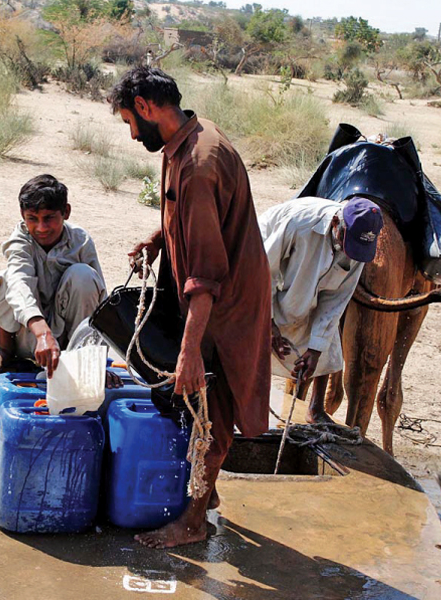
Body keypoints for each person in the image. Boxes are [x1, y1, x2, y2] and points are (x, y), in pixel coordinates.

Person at [108, 66, 272, 549]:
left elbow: (206, 278)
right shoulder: (186, 141)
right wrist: (160, 239)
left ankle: (194, 521)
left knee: (209, 407)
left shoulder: (199, 164)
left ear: (145, 107)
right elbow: (194, 223)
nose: (134, 135)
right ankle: (208, 497)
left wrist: (190, 351)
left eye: (130, 123)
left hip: (225, 304)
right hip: (219, 292)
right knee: (201, 401)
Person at [259, 196, 383, 423]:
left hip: (299, 282)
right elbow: (262, 271)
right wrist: (268, 323)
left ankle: (315, 409)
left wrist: (315, 350)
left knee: (325, 336)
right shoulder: (299, 224)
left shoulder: (358, 249)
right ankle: (248, 402)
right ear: (336, 223)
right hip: (261, 267)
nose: (349, 254)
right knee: (252, 339)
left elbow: (337, 299)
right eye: (347, 243)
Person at [0, 174, 107, 377]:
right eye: (32, 219)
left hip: (65, 342)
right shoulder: (19, 241)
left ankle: (82, 358)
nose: (41, 228)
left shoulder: (81, 241)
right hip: (27, 337)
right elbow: (20, 285)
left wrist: (96, 361)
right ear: (22, 215)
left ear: (66, 212)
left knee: (84, 276)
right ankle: (4, 349)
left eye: (49, 218)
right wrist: (42, 333)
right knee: (7, 279)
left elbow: (99, 301)